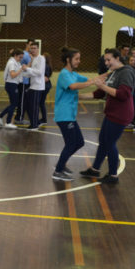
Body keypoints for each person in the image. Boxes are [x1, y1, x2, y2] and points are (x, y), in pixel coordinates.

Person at [80, 48, 135, 184]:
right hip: (111, 113)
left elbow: (123, 94)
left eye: (108, 60)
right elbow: (99, 93)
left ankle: (113, 175)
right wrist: (78, 96)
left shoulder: (126, 72)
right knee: (103, 141)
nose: (106, 62)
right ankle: (95, 169)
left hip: (121, 114)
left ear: (117, 58)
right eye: (105, 60)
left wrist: (103, 86)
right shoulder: (114, 72)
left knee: (110, 143)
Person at [52, 47, 94, 181]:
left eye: (79, 59)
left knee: (79, 142)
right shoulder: (64, 74)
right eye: (76, 59)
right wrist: (92, 82)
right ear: (68, 60)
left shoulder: (74, 74)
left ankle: (61, 165)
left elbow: (88, 79)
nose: (79, 61)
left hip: (69, 115)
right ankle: (58, 171)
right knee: (71, 144)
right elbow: (73, 87)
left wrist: (106, 76)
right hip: (64, 115)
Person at [0, 48, 24, 129]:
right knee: (14, 104)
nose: (21, 59)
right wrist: (21, 69)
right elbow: (13, 75)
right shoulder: (12, 63)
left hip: (13, 84)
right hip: (11, 85)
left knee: (13, 104)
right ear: (15, 55)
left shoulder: (16, 62)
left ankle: (0, 116)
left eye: (22, 57)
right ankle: (7, 122)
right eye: (20, 57)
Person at [20, 42, 46, 130]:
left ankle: (34, 125)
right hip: (32, 86)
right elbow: (31, 73)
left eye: (35, 48)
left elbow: (39, 72)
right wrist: (23, 73)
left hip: (38, 87)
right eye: (31, 48)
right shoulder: (34, 59)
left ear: (38, 49)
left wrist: (27, 68)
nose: (33, 50)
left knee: (34, 107)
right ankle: (36, 122)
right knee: (29, 106)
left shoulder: (41, 58)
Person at [15, 39, 33, 124]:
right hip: (23, 81)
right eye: (30, 45)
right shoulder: (25, 55)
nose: (31, 47)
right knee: (22, 101)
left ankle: (20, 117)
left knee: (24, 100)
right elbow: (26, 67)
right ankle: (19, 118)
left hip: (26, 81)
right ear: (26, 45)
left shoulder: (29, 55)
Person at [39, 52, 53, 125]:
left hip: (45, 86)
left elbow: (46, 78)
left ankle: (44, 119)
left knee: (41, 103)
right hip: (45, 86)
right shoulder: (46, 65)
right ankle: (43, 119)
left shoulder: (46, 66)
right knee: (40, 103)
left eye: (43, 57)